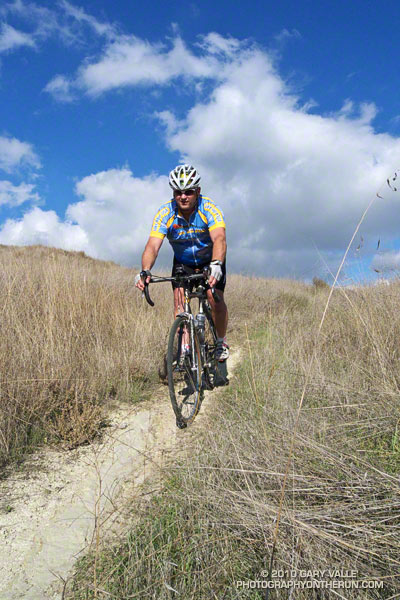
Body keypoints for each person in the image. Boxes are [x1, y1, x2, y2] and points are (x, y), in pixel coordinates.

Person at [135, 163, 229, 361]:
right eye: (178, 192)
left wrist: (217, 264)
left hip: (210, 260)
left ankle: (221, 342)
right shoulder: (165, 213)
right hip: (183, 262)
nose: (183, 197)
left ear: (197, 191)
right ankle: (185, 347)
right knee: (180, 304)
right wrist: (145, 270)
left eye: (188, 192)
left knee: (214, 297)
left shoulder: (209, 208)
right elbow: (152, 246)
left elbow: (219, 239)